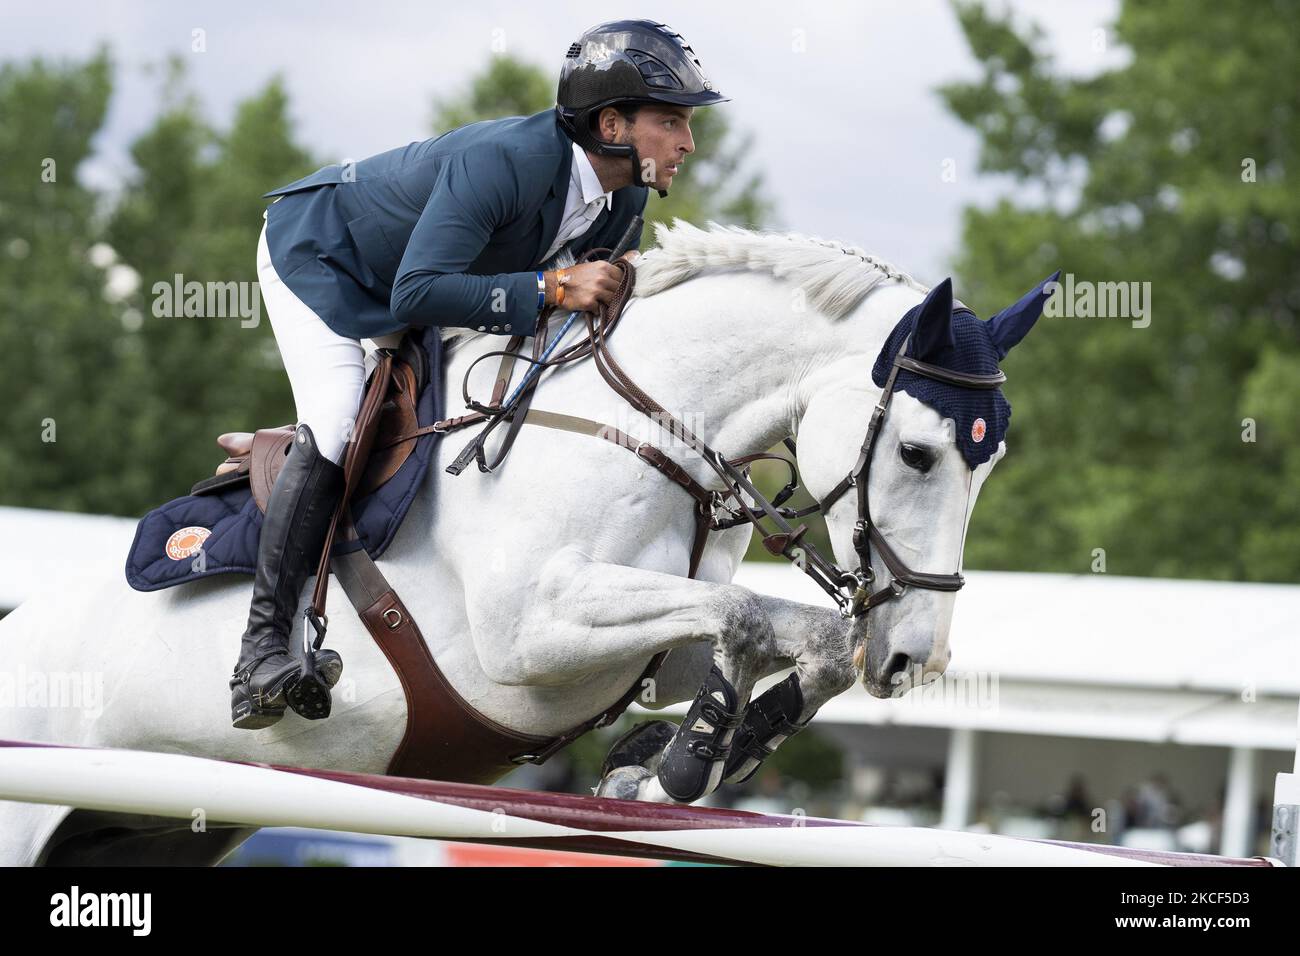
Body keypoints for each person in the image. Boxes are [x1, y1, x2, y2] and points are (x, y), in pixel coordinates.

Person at [229, 19, 730, 729]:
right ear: (612, 124)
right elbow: (417, 295)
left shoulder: (627, 196)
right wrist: (553, 288)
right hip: (323, 261)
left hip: (428, 280)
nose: (688, 143)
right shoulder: (505, 162)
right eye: (672, 121)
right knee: (341, 415)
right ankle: (259, 654)